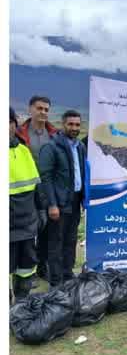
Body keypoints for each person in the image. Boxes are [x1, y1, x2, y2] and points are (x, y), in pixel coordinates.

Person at [36, 109, 86, 285]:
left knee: (71, 240)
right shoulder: (51, 147)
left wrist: (84, 198)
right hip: (58, 203)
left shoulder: (80, 147)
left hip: (75, 200)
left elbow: (82, 173)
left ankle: (68, 275)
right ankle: (56, 282)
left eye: (77, 124)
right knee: (56, 243)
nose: (74, 127)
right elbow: (45, 178)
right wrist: (52, 204)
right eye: (70, 124)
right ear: (62, 124)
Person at [16, 97, 56, 282]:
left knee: (47, 229)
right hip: (27, 190)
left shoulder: (54, 135)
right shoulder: (19, 135)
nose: (43, 112)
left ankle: (42, 266)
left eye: (46, 109)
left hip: (48, 189)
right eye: (39, 108)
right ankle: (25, 270)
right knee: (29, 231)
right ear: (30, 109)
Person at [9, 109, 47, 299]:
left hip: (26, 222)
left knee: (26, 266)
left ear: (15, 125)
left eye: (9, 122)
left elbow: (36, 184)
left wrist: (41, 210)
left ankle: (22, 305)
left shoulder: (24, 150)